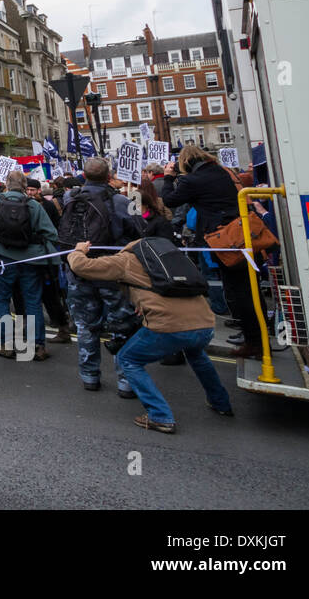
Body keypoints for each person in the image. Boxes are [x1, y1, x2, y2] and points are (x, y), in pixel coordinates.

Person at [67, 239, 234, 433]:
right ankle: (220, 402)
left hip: (169, 326)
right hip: (205, 324)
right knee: (196, 354)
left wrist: (78, 251)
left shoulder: (126, 260)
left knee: (127, 359)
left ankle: (160, 415)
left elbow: (82, 267)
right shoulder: (174, 258)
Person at [161, 144, 261, 360]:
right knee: (250, 288)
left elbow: (169, 200)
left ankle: (254, 342)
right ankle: (256, 336)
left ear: (186, 163)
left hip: (223, 239)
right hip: (245, 235)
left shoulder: (192, 180)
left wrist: (168, 177)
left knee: (238, 291)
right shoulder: (226, 172)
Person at [58, 158, 141, 394]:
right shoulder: (123, 200)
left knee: (86, 326)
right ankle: (125, 381)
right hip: (111, 271)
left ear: (84, 176)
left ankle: (89, 376)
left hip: (79, 269)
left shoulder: (70, 199)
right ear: (109, 176)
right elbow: (139, 230)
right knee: (122, 326)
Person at [0, 170, 57, 361]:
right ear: (24, 184)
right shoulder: (33, 205)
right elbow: (51, 233)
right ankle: (37, 345)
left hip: (1, 258)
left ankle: (4, 344)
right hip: (30, 260)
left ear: (6, 183)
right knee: (33, 301)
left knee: (1, 301)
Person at [27, 178, 71, 344]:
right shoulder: (26, 205)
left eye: (33, 190)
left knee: (51, 294)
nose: (31, 192)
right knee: (34, 295)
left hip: (46, 256)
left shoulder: (47, 206)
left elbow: (55, 228)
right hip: (33, 256)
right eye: (28, 189)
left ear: (39, 190)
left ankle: (62, 326)